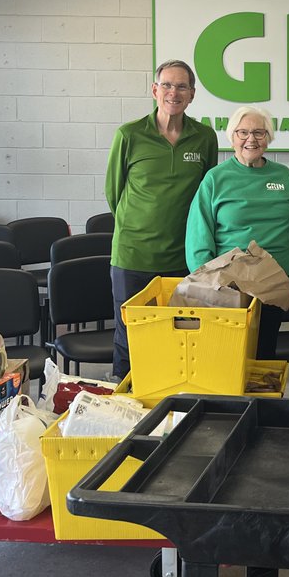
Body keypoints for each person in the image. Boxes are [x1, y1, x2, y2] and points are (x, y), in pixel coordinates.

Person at [105, 60, 217, 379]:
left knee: (178, 334)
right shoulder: (128, 135)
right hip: (132, 255)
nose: (173, 92)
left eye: (182, 86)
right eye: (167, 85)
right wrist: (140, 223)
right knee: (129, 335)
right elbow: (114, 192)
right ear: (155, 90)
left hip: (182, 255)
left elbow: (204, 194)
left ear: (192, 95)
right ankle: (126, 403)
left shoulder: (205, 137)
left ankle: (172, 402)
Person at [185, 106, 289, 360]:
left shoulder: (282, 175)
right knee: (227, 358)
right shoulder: (215, 178)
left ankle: (261, 402)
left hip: (274, 285)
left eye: (259, 132)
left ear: (268, 137)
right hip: (227, 288)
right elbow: (198, 236)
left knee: (264, 357)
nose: (251, 139)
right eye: (243, 132)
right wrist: (206, 286)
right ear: (232, 137)